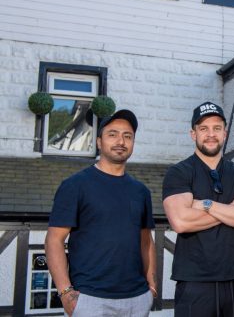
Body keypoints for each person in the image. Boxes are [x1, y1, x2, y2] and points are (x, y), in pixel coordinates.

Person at [45, 109, 156, 317]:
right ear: (99, 142)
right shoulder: (75, 185)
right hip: (90, 300)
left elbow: (146, 241)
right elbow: (54, 240)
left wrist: (152, 287)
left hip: (138, 300)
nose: (120, 141)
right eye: (112, 134)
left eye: (127, 136)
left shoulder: (141, 191)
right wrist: (66, 293)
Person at [162, 101, 234, 317]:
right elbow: (181, 221)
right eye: (203, 128)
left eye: (217, 128)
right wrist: (233, 210)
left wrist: (206, 204)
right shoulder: (179, 172)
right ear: (193, 134)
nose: (210, 134)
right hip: (195, 283)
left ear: (224, 134)